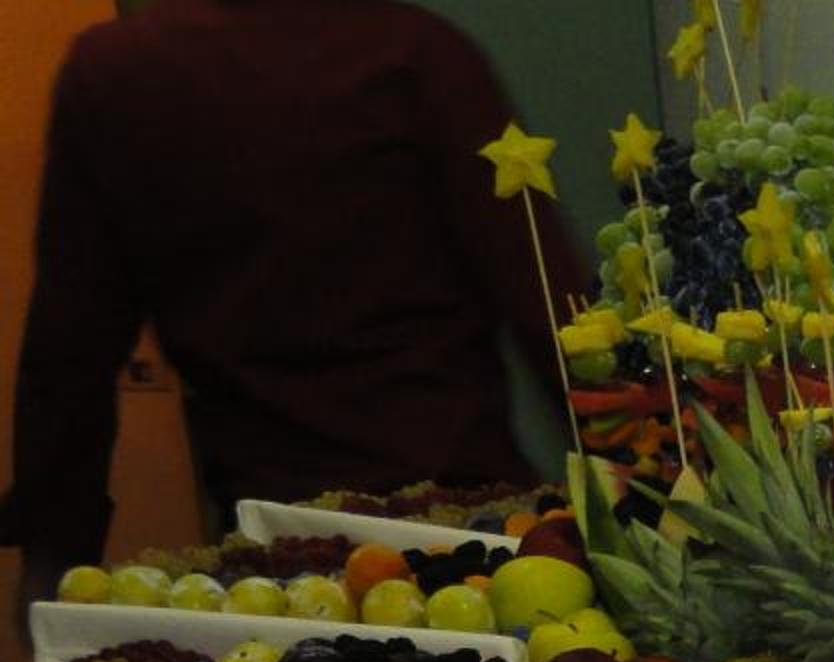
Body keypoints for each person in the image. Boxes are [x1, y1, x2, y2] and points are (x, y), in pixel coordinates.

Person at [1, 0, 588, 600]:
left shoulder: (118, 72)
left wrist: (51, 574)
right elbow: (548, 307)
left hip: (275, 542)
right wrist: (634, 500)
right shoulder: (415, 53)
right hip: (461, 521)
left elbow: (68, 359)